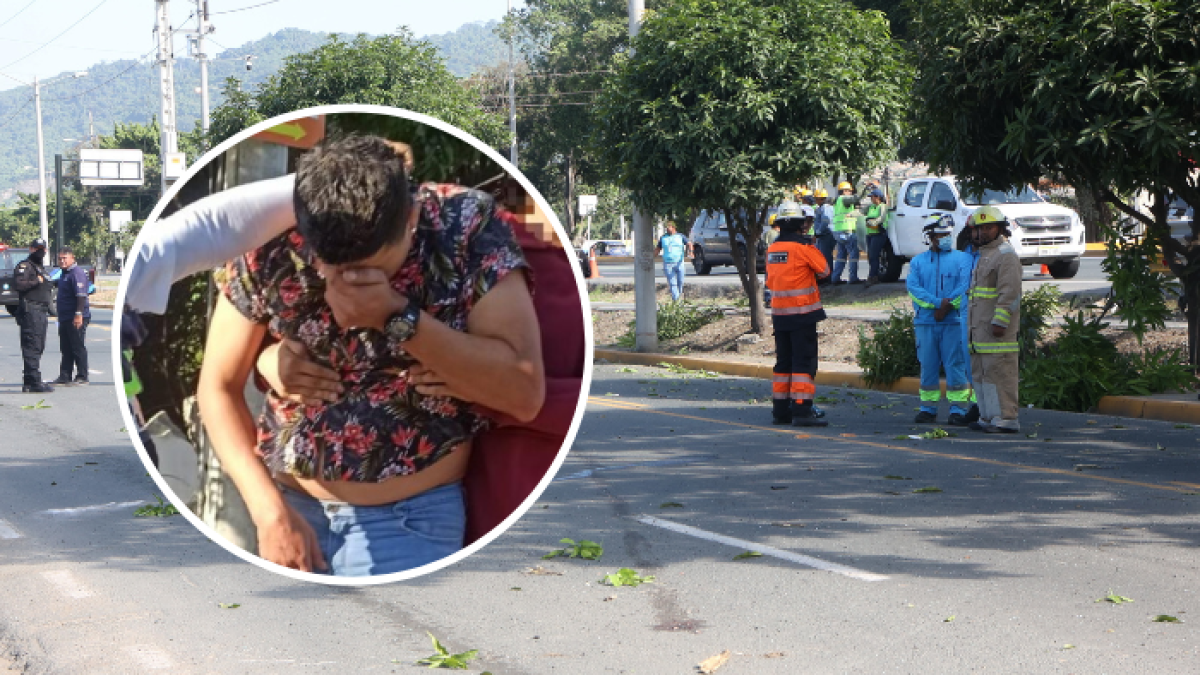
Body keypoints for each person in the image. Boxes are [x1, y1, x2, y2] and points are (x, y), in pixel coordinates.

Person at [196, 135, 545, 576]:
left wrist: (398, 317)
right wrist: (269, 513)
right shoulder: (268, 233)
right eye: (329, 266)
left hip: (408, 521)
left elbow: (524, 392)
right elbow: (217, 385)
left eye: (372, 269)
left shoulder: (464, 224)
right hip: (288, 511)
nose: (346, 283)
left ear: (412, 216)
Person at [765, 202, 829, 427]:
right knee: (803, 363)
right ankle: (802, 409)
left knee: (783, 364)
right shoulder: (803, 248)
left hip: (780, 315)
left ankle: (781, 411)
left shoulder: (772, 250)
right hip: (803, 314)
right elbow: (825, 271)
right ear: (798, 224)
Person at [907, 214, 973, 425]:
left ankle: (958, 409)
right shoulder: (917, 262)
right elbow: (914, 289)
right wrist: (937, 304)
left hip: (953, 322)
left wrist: (946, 307)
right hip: (926, 323)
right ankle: (928, 408)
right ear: (930, 237)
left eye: (947, 234)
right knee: (928, 365)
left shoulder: (963, 259)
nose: (945, 238)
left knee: (956, 365)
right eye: (940, 235)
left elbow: (965, 287)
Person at [966, 205, 1022, 433]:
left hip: (997, 332)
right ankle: (988, 417)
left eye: (988, 228)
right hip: (979, 332)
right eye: (979, 229)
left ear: (1000, 228)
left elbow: (1010, 294)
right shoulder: (983, 255)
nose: (982, 233)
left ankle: (1007, 418)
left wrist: (1001, 322)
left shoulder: (1005, 255)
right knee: (983, 375)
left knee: (1000, 374)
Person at [12, 238, 55, 393]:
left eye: (43, 249)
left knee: (38, 345)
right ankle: (34, 381)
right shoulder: (25, 266)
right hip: (31, 310)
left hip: (41, 311)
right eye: (37, 248)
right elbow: (19, 284)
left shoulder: (40, 268)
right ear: (31, 249)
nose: (40, 251)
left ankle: (29, 381)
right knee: (32, 346)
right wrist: (36, 281)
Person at [53, 247, 90, 386]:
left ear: (72, 258)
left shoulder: (76, 273)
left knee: (77, 346)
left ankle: (82, 376)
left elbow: (81, 296)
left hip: (76, 316)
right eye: (60, 258)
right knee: (66, 347)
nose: (62, 261)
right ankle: (65, 375)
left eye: (65, 258)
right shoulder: (64, 273)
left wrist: (78, 314)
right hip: (65, 317)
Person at [830, 181, 862, 285]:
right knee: (853, 255)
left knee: (841, 256)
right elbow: (855, 199)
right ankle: (853, 278)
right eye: (848, 191)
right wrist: (864, 191)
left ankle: (835, 278)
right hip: (847, 231)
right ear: (843, 191)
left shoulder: (837, 201)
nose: (850, 193)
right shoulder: (844, 199)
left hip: (838, 231)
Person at [655, 221, 693, 302]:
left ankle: (676, 300)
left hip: (679, 263)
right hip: (668, 264)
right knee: (673, 284)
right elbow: (658, 249)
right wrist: (650, 257)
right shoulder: (663, 238)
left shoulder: (680, 236)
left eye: (669, 227)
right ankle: (677, 301)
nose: (667, 229)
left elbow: (689, 243)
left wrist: (691, 251)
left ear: (673, 227)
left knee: (680, 282)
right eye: (666, 228)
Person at [863, 189, 890, 288]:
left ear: (877, 197)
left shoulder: (882, 207)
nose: (871, 199)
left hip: (879, 234)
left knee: (874, 256)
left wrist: (873, 222)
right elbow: (862, 212)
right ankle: (873, 275)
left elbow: (882, 218)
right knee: (871, 256)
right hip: (870, 234)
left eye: (872, 197)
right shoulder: (871, 207)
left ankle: (873, 276)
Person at [811, 188, 835, 281]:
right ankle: (826, 276)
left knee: (826, 257)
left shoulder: (826, 208)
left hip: (826, 235)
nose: (816, 201)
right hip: (823, 235)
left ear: (821, 198)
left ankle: (828, 277)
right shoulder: (821, 208)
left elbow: (825, 222)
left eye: (817, 198)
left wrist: (817, 234)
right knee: (823, 256)